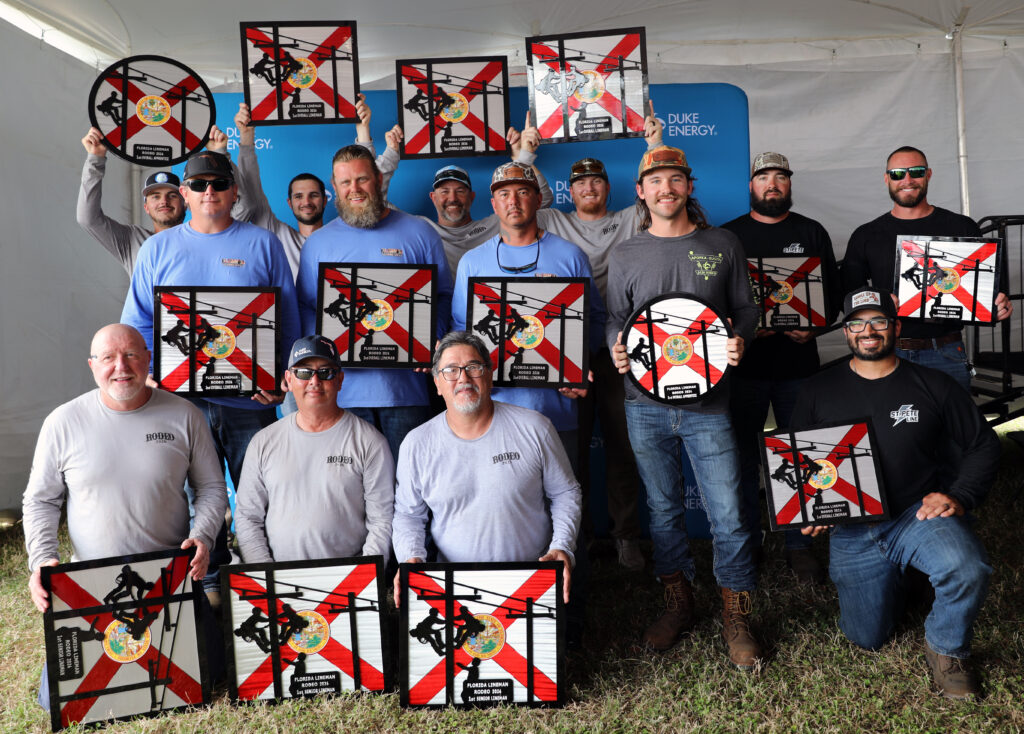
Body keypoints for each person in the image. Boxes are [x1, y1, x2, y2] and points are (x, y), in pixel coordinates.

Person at [791, 286, 1000, 699]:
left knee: (966, 567)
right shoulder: (817, 390)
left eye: (878, 321)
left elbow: (983, 444)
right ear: (847, 332)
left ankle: (947, 650)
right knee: (867, 637)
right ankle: (907, 579)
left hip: (915, 516)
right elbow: (798, 460)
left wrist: (959, 495)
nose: (868, 331)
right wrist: (810, 507)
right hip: (853, 529)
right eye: (857, 323)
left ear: (896, 327)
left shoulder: (934, 385)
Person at [607, 145, 762, 668]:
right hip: (642, 403)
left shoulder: (722, 243)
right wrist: (615, 345)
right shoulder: (626, 253)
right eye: (656, 181)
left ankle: (736, 612)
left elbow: (745, 307)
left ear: (689, 187)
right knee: (663, 511)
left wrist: (740, 336)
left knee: (730, 513)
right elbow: (615, 318)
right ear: (641, 192)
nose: (665, 189)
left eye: (675, 180)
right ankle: (679, 603)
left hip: (710, 404)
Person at [121, 150, 301, 593]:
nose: (209, 192)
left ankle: (267, 585)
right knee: (193, 497)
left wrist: (281, 375)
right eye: (198, 185)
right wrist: (147, 376)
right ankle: (208, 585)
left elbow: (288, 317)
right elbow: (140, 321)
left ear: (235, 191)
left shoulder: (264, 244)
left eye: (218, 184)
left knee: (260, 493)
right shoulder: (157, 248)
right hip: (180, 403)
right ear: (184, 193)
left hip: (249, 401)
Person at [22, 324, 227, 704]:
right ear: (92, 365)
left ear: (148, 359)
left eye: (132, 354)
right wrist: (42, 559)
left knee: (209, 681)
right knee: (59, 701)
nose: (121, 366)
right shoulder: (62, 423)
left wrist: (203, 535)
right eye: (108, 357)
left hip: (171, 579)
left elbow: (212, 488)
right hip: (91, 584)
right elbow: (40, 500)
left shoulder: (184, 415)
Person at [534, 105, 663, 571]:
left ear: (609, 188)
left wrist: (652, 146)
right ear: (571, 190)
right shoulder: (554, 221)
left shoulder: (632, 217)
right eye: (580, 183)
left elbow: (658, 191)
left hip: (623, 349)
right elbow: (527, 196)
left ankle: (626, 535)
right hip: (563, 347)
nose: (589, 188)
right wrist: (527, 154)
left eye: (597, 181)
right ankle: (579, 538)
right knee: (567, 450)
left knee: (621, 445)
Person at [391, 331, 581, 607]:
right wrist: (411, 559)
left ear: (489, 375)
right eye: (451, 371)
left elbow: (565, 492)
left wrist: (562, 546)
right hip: (454, 587)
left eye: (473, 367)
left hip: (533, 580)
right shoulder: (417, 444)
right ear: (437, 384)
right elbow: (408, 515)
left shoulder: (535, 427)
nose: (463, 378)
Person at [722, 152, 841, 584]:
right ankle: (749, 541)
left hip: (798, 367)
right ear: (751, 186)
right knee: (741, 459)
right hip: (745, 369)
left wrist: (816, 328)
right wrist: (743, 329)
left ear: (789, 185)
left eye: (780, 177)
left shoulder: (811, 231)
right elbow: (716, 301)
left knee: (801, 454)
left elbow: (833, 295)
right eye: (764, 177)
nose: (772, 184)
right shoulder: (729, 235)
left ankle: (799, 544)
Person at [296, 144, 453, 461]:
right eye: (345, 183)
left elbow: (444, 297)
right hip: (342, 394)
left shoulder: (420, 231)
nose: (354, 189)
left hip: (407, 393)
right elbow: (307, 310)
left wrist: (429, 338)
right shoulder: (318, 243)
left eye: (362, 179)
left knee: (409, 491)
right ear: (335, 189)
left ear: (378, 179)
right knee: (349, 495)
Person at [451, 162, 605, 474]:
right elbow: (459, 332)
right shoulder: (473, 262)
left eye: (523, 192)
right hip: (493, 412)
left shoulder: (570, 256)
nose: (514, 201)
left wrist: (578, 365)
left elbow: (596, 321)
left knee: (566, 505)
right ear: (493, 204)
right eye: (504, 194)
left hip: (557, 410)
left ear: (538, 200)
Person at [842, 145, 1012, 391]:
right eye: (898, 173)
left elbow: (991, 289)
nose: (907, 180)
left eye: (916, 172)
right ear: (886, 178)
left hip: (946, 351)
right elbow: (848, 295)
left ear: (929, 174)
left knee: (955, 428)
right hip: (889, 351)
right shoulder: (866, 235)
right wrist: (879, 301)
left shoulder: (962, 227)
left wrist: (999, 303)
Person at [234, 335, 394, 563]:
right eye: (304, 372)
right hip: (279, 580)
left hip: (349, 580)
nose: (314, 381)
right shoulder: (263, 442)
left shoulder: (370, 442)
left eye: (326, 372)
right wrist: (265, 577)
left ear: (340, 379)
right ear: (288, 379)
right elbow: (248, 517)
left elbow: (383, 520)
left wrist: (362, 579)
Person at [221, 94, 386, 278]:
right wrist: (246, 137)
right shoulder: (278, 234)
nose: (306, 201)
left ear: (325, 200)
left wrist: (363, 131)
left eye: (313, 195)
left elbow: (365, 181)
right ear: (289, 203)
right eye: (298, 196)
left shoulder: (347, 232)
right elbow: (253, 190)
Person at [375, 109, 553, 274]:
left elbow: (541, 201)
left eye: (460, 191)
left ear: (471, 197)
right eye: (444, 191)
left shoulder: (496, 225)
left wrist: (522, 156)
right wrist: (391, 152)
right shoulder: (420, 228)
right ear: (433, 197)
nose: (452, 198)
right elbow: (374, 202)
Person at [77, 127, 185, 274]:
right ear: (146, 207)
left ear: (186, 203)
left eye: (172, 195)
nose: (164, 201)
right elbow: (88, 219)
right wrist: (95, 158)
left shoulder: (202, 239)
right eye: (155, 196)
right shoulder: (132, 240)